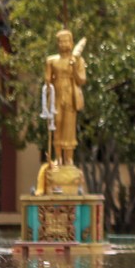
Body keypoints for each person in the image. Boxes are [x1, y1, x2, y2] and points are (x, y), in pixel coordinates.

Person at [45, 29, 86, 166]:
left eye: (66, 41)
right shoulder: (51, 60)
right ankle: (58, 157)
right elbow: (48, 80)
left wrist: (74, 68)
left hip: (71, 95)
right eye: (61, 41)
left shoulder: (78, 60)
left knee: (69, 128)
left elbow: (81, 80)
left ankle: (69, 158)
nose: (63, 44)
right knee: (57, 125)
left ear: (72, 42)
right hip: (57, 95)